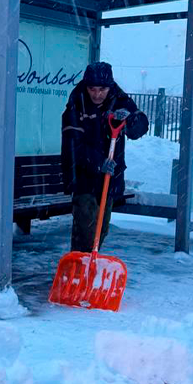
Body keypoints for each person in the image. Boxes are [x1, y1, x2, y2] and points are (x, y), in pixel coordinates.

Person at [61, 62, 149, 253]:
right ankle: (79, 268)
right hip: (83, 175)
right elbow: (73, 144)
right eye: (92, 89)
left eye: (102, 89)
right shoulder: (77, 102)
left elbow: (140, 126)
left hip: (110, 177)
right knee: (85, 224)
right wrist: (99, 162)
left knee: (102, 228)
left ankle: (89, 265)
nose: (97, 94)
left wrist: (129, 121)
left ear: (110, 87)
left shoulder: (120, 99)